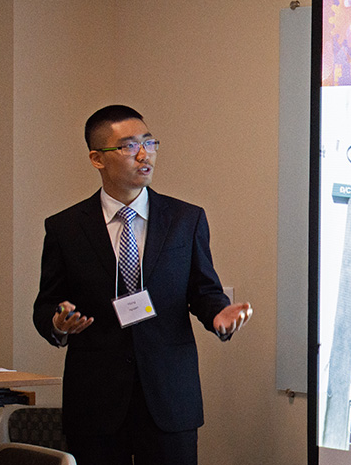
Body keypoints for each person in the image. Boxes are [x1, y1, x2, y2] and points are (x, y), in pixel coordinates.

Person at [32, 105, 252, 465]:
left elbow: (203, 290)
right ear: (96, 158)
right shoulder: (65, 227)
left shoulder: (186, 219)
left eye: (150, 143)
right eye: (128, 145)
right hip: (96, 401)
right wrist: (58, 323)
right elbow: (47, 303)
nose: (143, 153)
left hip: (169, 398)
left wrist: (218, 315)